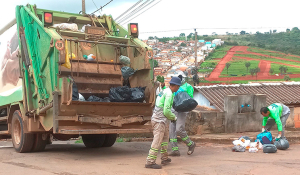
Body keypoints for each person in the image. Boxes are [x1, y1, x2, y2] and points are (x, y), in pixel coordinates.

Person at [145, 77, 181, 169]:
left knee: (165, 139)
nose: (178, 89)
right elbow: (166, 111)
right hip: (159, 121)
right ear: (176, 86)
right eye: (178, 87)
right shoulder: (169, 94)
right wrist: (174, 117)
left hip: (161, 120)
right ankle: (150, 161)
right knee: (157, 141)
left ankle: (164, 158)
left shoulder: (165, 91)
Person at [169, 75, 196, 156]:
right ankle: (175, 150)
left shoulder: (188, 87)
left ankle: (190, 144)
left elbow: (189, 99)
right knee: (171, 130)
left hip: (183, 111)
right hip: (173, 109)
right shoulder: (170, 89)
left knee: (178, 129)